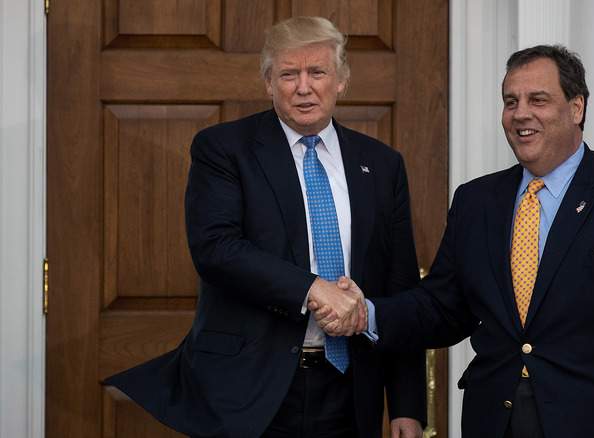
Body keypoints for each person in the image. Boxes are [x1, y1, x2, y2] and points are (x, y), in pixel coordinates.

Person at [312, 45, 594, 438]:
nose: (520, 114)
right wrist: (366, 313)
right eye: (510, 101)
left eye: (538, 100)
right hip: (494, 418)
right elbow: (441, 308)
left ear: (577, 107)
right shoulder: (476, 201)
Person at [106, 16, 426, 438]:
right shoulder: (224, 149)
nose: (304, 87)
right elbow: (216, 249)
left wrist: (406, 404)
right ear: (268, 83)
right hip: (249, 390)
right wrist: (314, 288)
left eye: (317, 72)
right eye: (288, 74)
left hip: (349, 390)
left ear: (342, 80)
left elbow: (399, 285)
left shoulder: (382, 164)